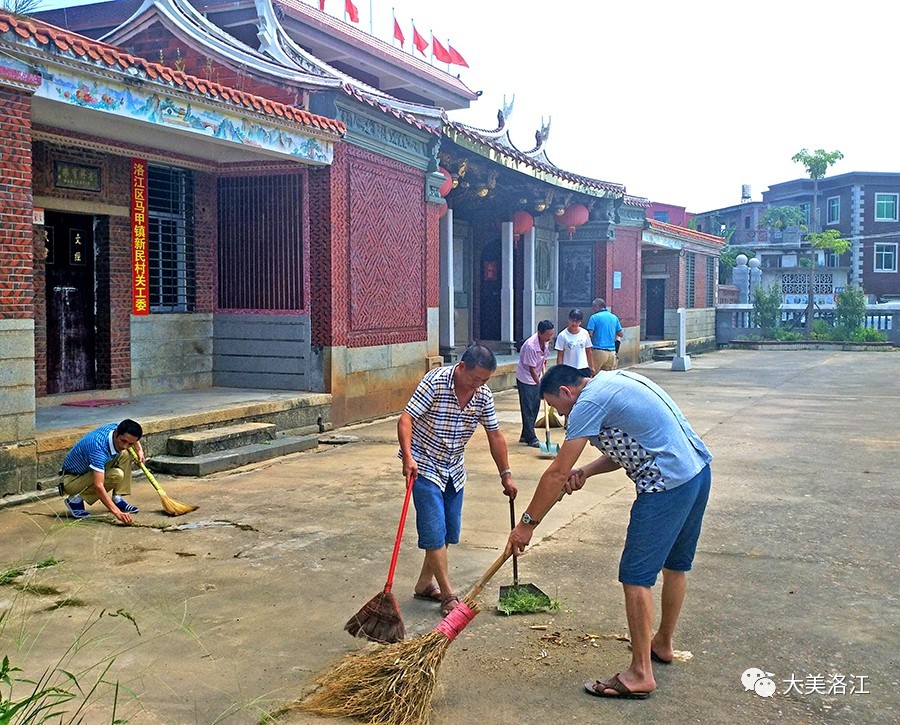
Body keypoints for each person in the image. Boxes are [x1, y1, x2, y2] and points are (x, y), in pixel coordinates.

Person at [506, 365, 713, 700]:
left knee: (636, 576)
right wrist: (586, 471)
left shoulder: (587, 403)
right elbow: (626, 451)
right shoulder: (613, 382)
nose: (562, 415)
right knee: (675, 566)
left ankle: (640, 673)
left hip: (666, 484)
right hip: (695, 473)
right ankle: (662, 643)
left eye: (559, 408)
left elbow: (556, 473)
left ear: (566, 392)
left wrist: (526, 525)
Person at [398, 345, 517, 615]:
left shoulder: (483, 395)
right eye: (475, 379)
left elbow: (495, 435)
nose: (478, 385)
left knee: (449, 530)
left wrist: (505, 474)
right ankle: (448, 595)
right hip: (424, 464)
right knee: (434, 530)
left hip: (454, 467)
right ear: (462, 367)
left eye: (484, 380)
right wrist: (407, 457)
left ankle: (424, 584)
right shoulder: (436, 382)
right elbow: (406, 419)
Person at [59, 418, 145, 525]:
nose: (125, 446)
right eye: (123, 441)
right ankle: (75, 500)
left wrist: (139, 450)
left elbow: (132, 439)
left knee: (125, 454)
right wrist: (117, 513)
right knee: (116, 475)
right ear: (116, 433)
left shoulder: (116, 427)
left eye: (130, 444)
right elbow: (98, 486)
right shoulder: (98, 449)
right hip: (71, 480)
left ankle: (117, 498)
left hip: (86, 470)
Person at [516, 320, 555, 448]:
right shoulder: (530, 346)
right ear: (539, 333)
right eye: (548, 335)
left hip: (536, 376)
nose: (550, 337)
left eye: (551, 335)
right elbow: (531, 369)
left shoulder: (545, 342)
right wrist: (540, 385)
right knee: (528, 408)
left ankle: (525, 434)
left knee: (535, 406)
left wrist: (544, 368)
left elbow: (543, 360)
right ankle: (531, 438)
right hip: (525, 379)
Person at [586, 298, 623, 372]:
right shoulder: (614, 317)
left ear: (596, 306)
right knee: (607, 379)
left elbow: (589, 335)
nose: (592, 309)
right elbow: (620, 334)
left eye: (593, 307)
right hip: (611, 353)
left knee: (592, 376)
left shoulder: (594, 317)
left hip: (598, 351)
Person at [555, 308, 594, 377]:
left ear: (580, 322)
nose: (574, 323)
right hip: (568, 368)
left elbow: (588, 351)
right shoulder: (562, 335)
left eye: (577, 321)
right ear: (568, 320)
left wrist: (591, 366)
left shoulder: (584, 333)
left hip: (583, 367)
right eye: (572, 320)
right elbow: (560, 354)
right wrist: (559, 370)